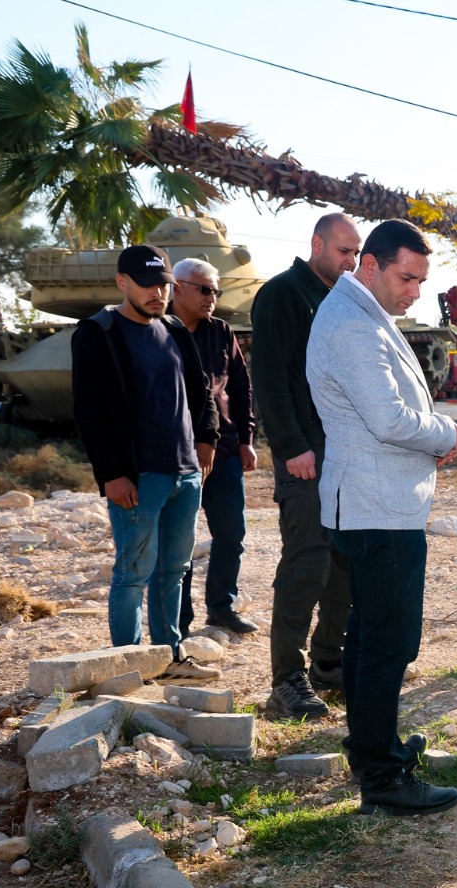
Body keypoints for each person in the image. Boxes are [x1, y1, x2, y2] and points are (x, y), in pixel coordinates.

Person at [307, 219, 457, 817]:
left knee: (375, 638)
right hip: (376, 510)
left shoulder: (361, 312)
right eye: (407, 277)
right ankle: (381, 776)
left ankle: (377, 746)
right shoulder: (351, 323)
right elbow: (389, 418)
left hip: (377, 506)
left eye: (422, 281)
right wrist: (446, 430)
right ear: (369, 265)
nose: (415, 292)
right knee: (386, 643)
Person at [71, 244, 221, 680]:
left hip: (185, 472)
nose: (158, 293)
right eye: (148, 284)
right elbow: (88, 411)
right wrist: (111, 475)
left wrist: (207, 440)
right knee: (133, 573)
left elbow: (201, 392)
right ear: (122, 282)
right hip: (137, 477)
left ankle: (170, 657)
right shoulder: (98, 332)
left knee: (173, 571)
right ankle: (127, 666)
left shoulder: (175, 328)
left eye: (164, 284)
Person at [250, 212, 360, 718]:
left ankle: (328, 664)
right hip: (305, 462)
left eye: (356, 252)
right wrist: (291, 446)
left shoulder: (340, 299)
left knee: (345, 566)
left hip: (344, 459)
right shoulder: (284, 294)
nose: (351, 260)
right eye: (343, 250)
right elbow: (269, 378)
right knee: (305, 567)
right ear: (317, 244)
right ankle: (287, 680)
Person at [170, 258, 259, 637]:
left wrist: (246, 441)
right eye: (204, 289)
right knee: (181, 541)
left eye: (216, 291)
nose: (212, 297)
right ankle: (179, 619)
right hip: (175, 455)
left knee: (230, 534)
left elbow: (240, 388)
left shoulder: (221, 332)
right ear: (177, 287)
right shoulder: (158, 330)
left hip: (222, 455)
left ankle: (221, 608)